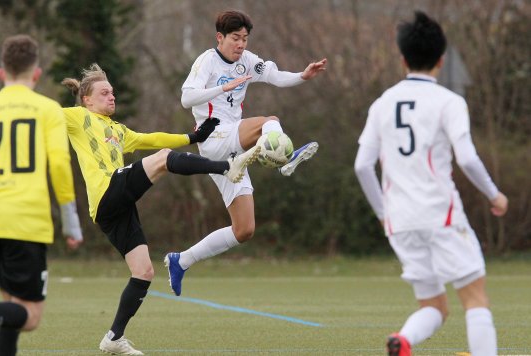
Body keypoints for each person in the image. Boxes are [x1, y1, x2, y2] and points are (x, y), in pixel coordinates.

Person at [60, 63, 260, 355]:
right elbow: (39, 113)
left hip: (117, 208)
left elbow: (151, 139)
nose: (112, 97)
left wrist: (192, 138)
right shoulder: (78, 118)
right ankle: (227, 167)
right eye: (105, 93)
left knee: (143, 272)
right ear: (87, 100)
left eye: (113, 92)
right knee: (164, 159)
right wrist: (5, 101)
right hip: (106, 194)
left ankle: (113, 338)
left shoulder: (118, 130)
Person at [354, 11, 508, 356]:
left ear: (403, 58)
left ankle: (403, 341)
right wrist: (495, 195)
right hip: (442, 214)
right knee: (475, 298)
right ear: (441, 59)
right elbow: (467, 158)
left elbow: (363, 166)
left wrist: (383, 213)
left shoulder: (382, 104)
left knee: (435, 306)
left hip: (400, 221)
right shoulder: (449, 102)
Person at [164, 9, 327, 296]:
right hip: (213, 137)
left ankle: (182, 260)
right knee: (269, 122)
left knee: (244, 230)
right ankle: (283, 158)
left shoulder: (248, 62)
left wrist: (303, 75)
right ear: (220, 37)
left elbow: (275, 77)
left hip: (231, 145)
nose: (241, 44)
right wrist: (221, 88)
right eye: (235, 38)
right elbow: (186, 97)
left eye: (245, 39)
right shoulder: (206, 61)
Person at [0, 34, 83, 356]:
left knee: (9, 313)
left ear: (1, 73)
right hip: (25, 221)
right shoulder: (47, 109)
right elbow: (60, 167)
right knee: (31, 317)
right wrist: (70, 222)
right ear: (36, 74)